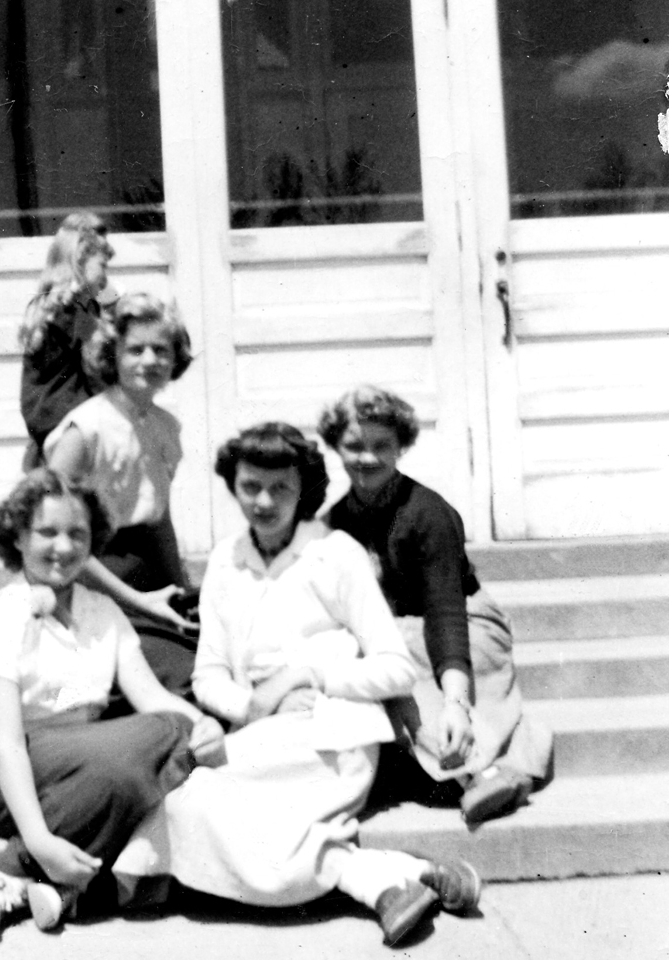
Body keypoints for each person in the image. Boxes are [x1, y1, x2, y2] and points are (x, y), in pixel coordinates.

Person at [113, 423, 481, 947]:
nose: (263, 502)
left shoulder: (336, 554)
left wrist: (308, 674)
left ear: (302, 489)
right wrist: (256, 704)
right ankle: (395, 872)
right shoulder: (226, 562)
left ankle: (377, 885)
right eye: (250, 486)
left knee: (262, 857)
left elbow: (397, 668)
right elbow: (209, 675)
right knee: (184, 804)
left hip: (335, 735)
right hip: (261, 734)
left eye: (280, 488)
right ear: (233, 486)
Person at [0, 469, 225, 942]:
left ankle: (62, 891)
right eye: (47, 532)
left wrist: (206, 725)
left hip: (88, 761)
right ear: (17, 537)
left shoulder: (102, 611)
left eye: (77, 533)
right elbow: (7, 746)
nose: (64, 546)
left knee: (166, 743)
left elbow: (153, 697)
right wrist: (39, 840)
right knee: (153, 744)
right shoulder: (0, 618)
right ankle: (12, 869)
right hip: (2, 770)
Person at [319, 385, 554, 824]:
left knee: (402, 659)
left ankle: (476, 774)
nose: (367, 458)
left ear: (401, 447)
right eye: (354, 445)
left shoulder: (428, 513)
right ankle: (514, 753)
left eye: (381, 445)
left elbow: (445, 611)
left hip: (464, 620)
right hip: (397, 631)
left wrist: (456, 703)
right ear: (336, 446)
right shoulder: (335, 521)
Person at [43, 291, 199, 696]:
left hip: (147, 573)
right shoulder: (86, 429)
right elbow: (54, 534)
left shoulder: (164, 426)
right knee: (175, 672)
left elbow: (158, 519)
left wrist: (179, 587)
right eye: (135, 349)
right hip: (91, 575)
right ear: (113, 355)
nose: (150, 360)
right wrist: (139, 601)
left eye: (161, 350)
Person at [18, 212, 117, 469]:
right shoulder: (74, 310)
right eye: (103, 266)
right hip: (69, 429)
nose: (106, 278)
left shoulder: (50, 305)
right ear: (80, 261)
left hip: (48, 425)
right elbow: (100, 366)